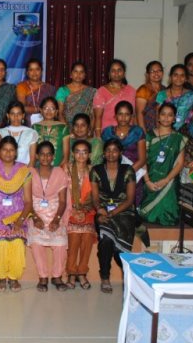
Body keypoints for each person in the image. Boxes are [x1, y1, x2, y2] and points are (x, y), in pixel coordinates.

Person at [0, 136, 32, 292]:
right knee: (2, 243)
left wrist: (20, 221)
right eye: (5, 149)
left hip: (17, 215)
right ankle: (1, 276)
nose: (8, 153)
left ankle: (13, 277)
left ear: (16, 152)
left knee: (17, 242)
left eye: (11, 150)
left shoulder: (24, 171)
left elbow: (28, 201)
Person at [91, 138, 138, 294]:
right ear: (104, 153)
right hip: (103, 210)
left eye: (115, 150)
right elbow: (95, 198)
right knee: (105, 241)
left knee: (119, 249)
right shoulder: (96, 170)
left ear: (121, 153)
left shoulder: (128, 170)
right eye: (108, 150)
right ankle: (105, 277)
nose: (111, 154)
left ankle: (128, 277)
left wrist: (112, 213)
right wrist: (99, 209)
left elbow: (130, 199)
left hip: (124, 212)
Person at [28, 141, 69, 292]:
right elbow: (26, 199)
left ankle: (57, 276)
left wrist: (57, 220)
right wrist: (35, 217)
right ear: (37, 156)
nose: (45, 157)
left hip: (55, 212)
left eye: (49, 154)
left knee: (60, 244)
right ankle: (43, 277)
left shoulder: (59, 173)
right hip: (35, 212)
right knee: (36, 243)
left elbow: (63, 201)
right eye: (42, 154)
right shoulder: (30, 172)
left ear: (53, 156)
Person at [139, 103, 187, 226]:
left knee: (169, 218)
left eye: (170, 115)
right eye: (163, 114)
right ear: (158, 117)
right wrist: (147, 181)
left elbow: (180, 163)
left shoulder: (179, 138)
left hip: (169, 182)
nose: (166, 118)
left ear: (174, 118)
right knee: (147, 218)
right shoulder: (148, 136)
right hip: (150, 180)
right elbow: (143, 160)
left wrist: (166, 180)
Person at [63, 140, 98, 290]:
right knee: (74, 239)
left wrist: (85, 210)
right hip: (69, 210)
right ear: (73, 153)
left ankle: (82, 273)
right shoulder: (66, 169)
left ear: (89, 154)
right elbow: (62, 192)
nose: (81, 155)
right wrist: (73, 210)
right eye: (78, 151)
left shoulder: (94, 170)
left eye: (84, 152)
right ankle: (71, 273)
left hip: (88, 211)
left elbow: (96, 195)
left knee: (87, 238)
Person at [101, 101, 147, 205]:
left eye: (127, 114)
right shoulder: (107, 132)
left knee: (130, 206)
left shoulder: (137, 132)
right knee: (112, 204)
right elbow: (103, 155)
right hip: (111, 176)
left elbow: (142, 159)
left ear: (132, 116)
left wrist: (123, 175)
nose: (123, 118)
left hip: (132, 174)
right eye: (120, 114)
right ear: (115, 116)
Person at [93, 59, 135, 137]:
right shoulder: (101, 91)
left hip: (128, 135)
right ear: (109, 74)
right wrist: (99, 138)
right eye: (113, 71)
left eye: (119, 70)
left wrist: (135, 134)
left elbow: (134, 116)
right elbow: (98, 117)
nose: (116, 73)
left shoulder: (131, 91)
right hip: (107, 134)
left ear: (124, 73)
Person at [0, 100, 39, 166]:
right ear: (8, 115)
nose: (16, 117)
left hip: (25, 171)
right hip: (3, 170)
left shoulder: (31, 133)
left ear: (23, 115)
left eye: (18, 114)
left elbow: (32, 161)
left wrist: (25, 172)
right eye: (12, 114)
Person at [156, 64, 193, 131]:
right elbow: (158, 117)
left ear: (186, 79)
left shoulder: (192, 96)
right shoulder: (161, 94)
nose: (179, 78)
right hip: (166, 132)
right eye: (175, 75)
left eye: (182, 75)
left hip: (186, 133)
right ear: (170, 77)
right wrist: (159, 134)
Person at [56, 61, 97, 125]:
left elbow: (94, 115)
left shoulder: (92, 91)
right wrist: (67, 129)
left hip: (85, 127)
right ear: (71, 75)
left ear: (85, 75)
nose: (78, 74)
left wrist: (90, 129)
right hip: (66, 126)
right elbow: (60, 113)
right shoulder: (62, 90)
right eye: (76, 71)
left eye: (81, 72)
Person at [16, 58, 55, 125]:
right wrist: (39, 109)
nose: (34, 72)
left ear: (41, 71)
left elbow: (53, 109)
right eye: (31, 70)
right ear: (27, 73)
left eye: (37, 69)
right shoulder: (22, 86)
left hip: (46, 124)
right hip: (26, 125)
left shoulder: (49, 88)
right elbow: (21, 107)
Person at [32, 97, 69, 166]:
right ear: (41, 110)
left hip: (58, 168)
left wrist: (58, 170)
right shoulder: (35, 127)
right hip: (39, 168)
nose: (49, 111)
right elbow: (33, 154)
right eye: (46, 108)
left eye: (52, 108)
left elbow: (66, 157)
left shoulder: (63, 128)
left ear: (56, 112)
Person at [135, 61, 164, 133]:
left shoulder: (165, 90)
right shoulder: (143, 90)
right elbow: (139, 114)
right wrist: (144, 134)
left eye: (159, 70)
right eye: (152, 71)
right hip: (147, 129)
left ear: (162, 73)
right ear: (147, 74)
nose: (156, 73)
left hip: (162, 130)